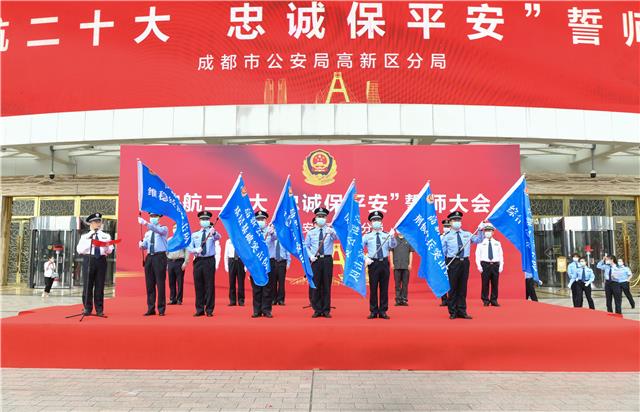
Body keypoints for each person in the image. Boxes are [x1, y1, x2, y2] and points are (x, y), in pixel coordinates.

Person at [440, 211, 483, 320]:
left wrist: (480, 230)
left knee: (462, 288)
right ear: (450, 222)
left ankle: (462, 311)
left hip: (464, 262)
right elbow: (443, 252)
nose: (457, 222)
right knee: (453, 288)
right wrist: (444, 264)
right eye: (455, 220)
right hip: (452, 262)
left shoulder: (467, 234)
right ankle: (453, 311)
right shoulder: (446, 236)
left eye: (459, 220)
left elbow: (479, 240)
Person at [76, 212, 114, 316]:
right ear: (90, 223)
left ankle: (99, 309)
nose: (98, 224)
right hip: (89, 259)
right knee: (88, 285)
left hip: (101, 260)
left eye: (99, 221)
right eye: (95, 222)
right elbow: (79, 250)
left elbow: (110, 249)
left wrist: (105, 247)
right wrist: (91, 243)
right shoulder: (85, 236)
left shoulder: (106, 236)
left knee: (99, 285)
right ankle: (87, 308)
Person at [304, 207, 338, 318]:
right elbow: (306, 246)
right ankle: (317, 309)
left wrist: (332, 232)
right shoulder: (311, 232)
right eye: (319, 216)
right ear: (316, 218)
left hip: (327, 260)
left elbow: (337, 238)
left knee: (326, 285)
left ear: (326, 218)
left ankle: (326, 310)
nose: (321, 218)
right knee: (316, 284)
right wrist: (310, 256)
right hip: (316, 260)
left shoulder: (330, 230)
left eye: (323, 216)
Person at [363, 211, 397, 319]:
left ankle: (383, 311)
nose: (376, 222)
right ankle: (373, 311)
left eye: (378, 220)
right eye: (374, 220)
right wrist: (365, 258)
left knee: (384, 288)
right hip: (373, 263)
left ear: (381, 222)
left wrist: (392, 237)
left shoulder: (386, 235)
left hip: (384, 263)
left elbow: (393, 246)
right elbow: (358, 249)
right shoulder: (367, 236)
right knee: (373, 288)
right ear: (371, 223)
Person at [187, 211, 221, 317]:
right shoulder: (195, 234)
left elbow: (218, 237)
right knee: (198, 285)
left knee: (209, 285)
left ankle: (209, 309)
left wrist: (214, 233)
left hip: (209, 261)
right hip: (198, 261)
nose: (204, 221)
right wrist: (195, 250)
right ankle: (199, 309)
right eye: (203, 219)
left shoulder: (212, 233)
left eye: (206, 219)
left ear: (209, 221)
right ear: (199, 221)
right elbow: (189, 247)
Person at [138, 212, 169, 316]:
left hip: (159, 257)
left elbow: (157, 230)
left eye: (155, 216)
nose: (153, 218)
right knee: (149, 284)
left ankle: (161, 308)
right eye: (151, 216)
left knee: (160, 284)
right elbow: (146, 246)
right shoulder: (147, 233)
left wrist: (145, 223)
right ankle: (151, 308)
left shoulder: (163, 229)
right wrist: (142, 245)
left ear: (159, 218)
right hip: (149, 258)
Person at [475, 223, 504, 307]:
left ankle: (494, 300)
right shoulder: (480, 243)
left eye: (489, 231)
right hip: (485, 264)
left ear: (493, 232)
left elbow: (500, 255)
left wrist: (501, 265)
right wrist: (479, 265)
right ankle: (485, 300)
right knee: (485, 283)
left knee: (495, 283)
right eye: (486, 230)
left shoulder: (497, 243)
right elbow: (477, 255)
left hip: (495, 265)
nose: (487, 232)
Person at [252, 210, 274, 318]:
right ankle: (257, 310)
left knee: (267, 288)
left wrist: (272, 232)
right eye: (258, 219)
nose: (260, 221)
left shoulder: (270, 231)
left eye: (262, 219)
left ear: (266, 220)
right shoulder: (251, 232)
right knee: (257, 287)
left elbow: (277, 237)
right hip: (256, 262)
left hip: (268, 262)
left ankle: (266, 310)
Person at [265, 220, 291, 306]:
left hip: (282, 262)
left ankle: (281, 299)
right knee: (273, 281)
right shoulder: (271, 238)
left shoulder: (283, 239)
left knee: (281, 282)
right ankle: (273, 299)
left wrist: (288, 263)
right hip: (273, 261)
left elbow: (287, 252)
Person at [166, 224, 189, 305]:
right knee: (171, 281)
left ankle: (179, 299)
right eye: (174, 227)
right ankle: (172, 299)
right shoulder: (169, 240)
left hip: (179, 262)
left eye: (176, 227)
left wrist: (185, 262)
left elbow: (187, 251)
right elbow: (166, 251)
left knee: (180, 281)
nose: (175, 229)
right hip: (170, 261)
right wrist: (166, 263)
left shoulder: (183, 240)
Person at [390, 230, 413, 306]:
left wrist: (410, 264)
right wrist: (392, 263)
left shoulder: (408, 239)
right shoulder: (393, 240)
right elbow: (391, 251)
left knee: (405, 284)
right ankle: (398, 300)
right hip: (396, 265)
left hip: (406, 265)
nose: (399, 230)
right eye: (398, 229)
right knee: (397, 284)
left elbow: (411, 252)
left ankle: (404, 299)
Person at [224, 238, 245, 306]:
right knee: (232, 282)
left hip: (241, 261)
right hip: (231, 261)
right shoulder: (228, 241)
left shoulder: (243, 240)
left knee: (241, 282)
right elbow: (226, 254)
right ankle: (232, 300)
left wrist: (246, 267)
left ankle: (241, 300)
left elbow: (246, 254)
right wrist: (226, 265)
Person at [439, 219, 451, 307]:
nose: (446, 228)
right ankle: (444, 299)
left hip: (451, 259)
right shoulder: (439, 237)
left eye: (448, 226)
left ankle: (451, 299)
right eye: (445, 226)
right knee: (442, 280)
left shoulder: (453, 236)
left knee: (451, 279)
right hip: (441, 260)